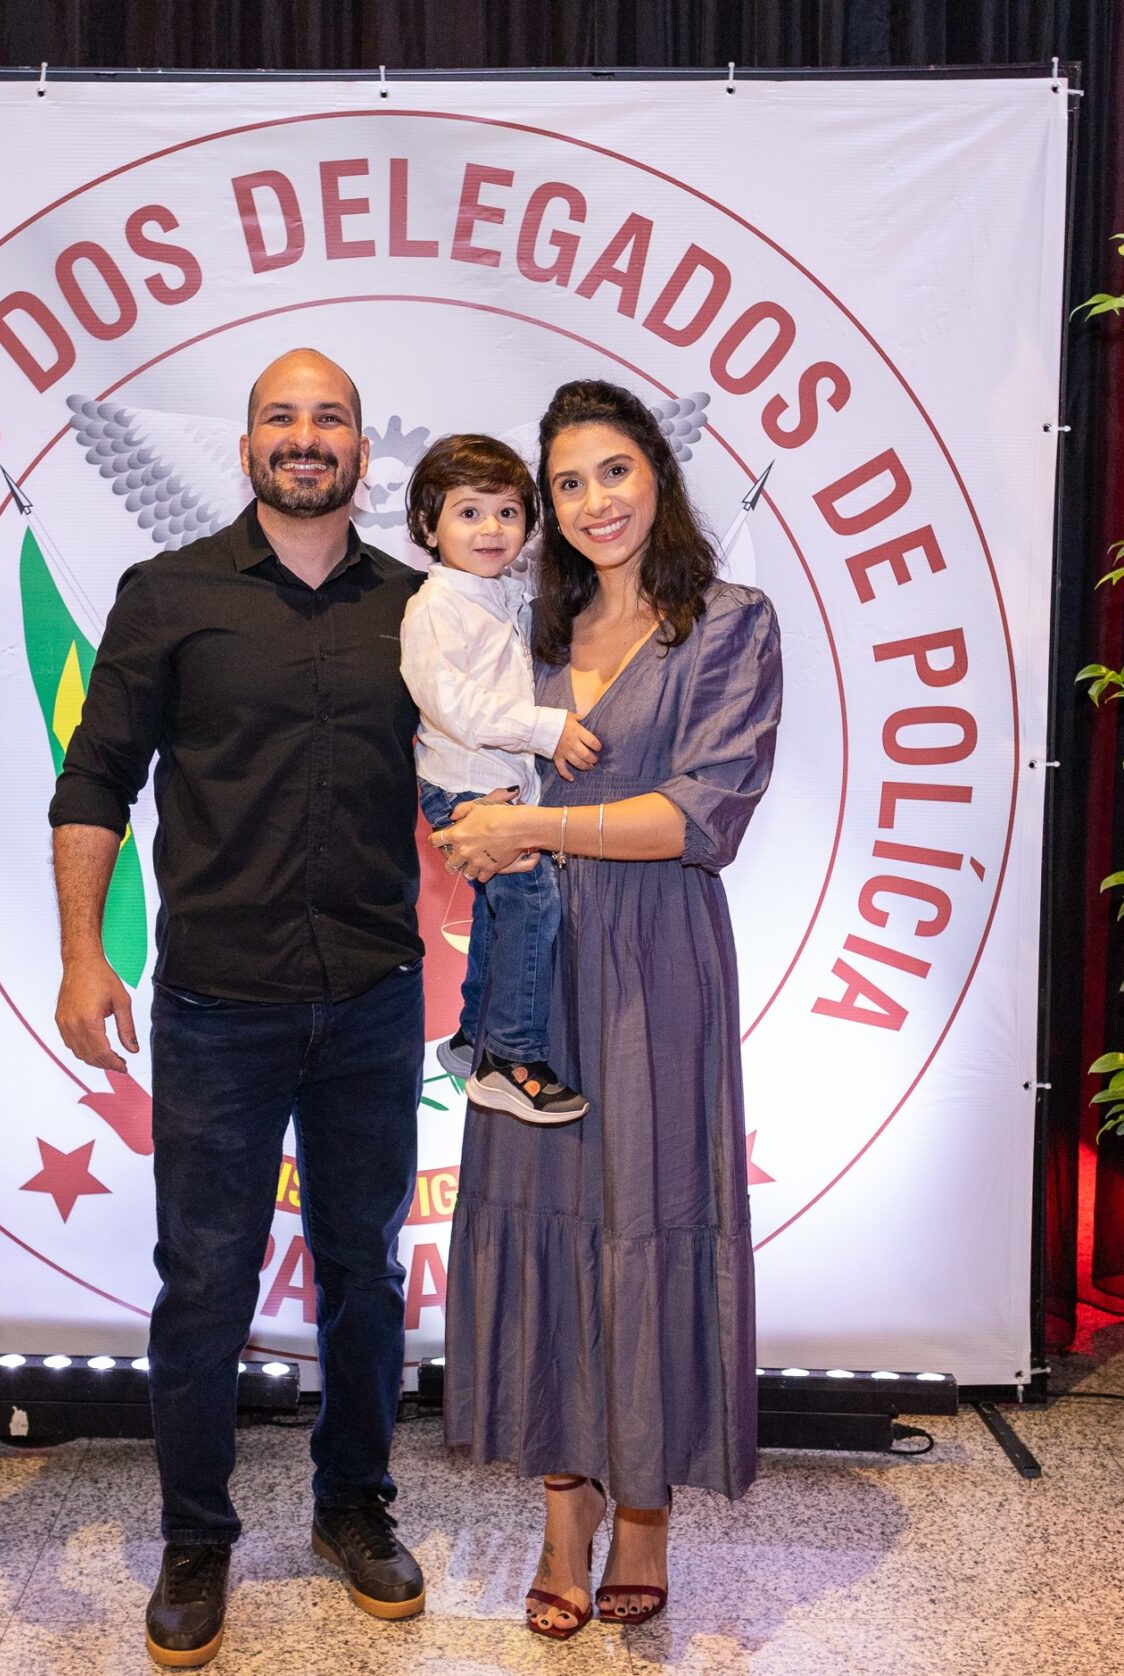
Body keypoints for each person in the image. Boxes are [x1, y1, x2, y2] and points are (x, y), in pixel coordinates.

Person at [49, 348, 429, 1669]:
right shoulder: (168, 594)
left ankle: (352, 1505)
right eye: (282, 416)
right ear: (249, 442)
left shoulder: (420, 608)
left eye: (329, 418)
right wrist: (82, 955)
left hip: (375, 999)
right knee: (205, 1279)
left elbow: (475, 765)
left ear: (362, 453)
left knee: (365, 1272)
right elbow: (94, 779)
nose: (304, 436)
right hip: (218, 1005)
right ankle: (196, 1535)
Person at [429, 379, 782, 1640]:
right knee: (542, 1222)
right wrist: (473, 821)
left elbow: (703, 814)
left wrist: (530, 827)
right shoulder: (521, 628)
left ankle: (642, 1509)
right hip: (529, 968)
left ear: (657, 477)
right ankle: (560, 1507)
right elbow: (460, 761)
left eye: (613, 471)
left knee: (645, 1217)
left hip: (654, 964)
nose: (593, 502)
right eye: (567, 483)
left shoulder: (727, 622)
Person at [397, 432, 603, 1123]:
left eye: (508, 513)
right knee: (532, 902)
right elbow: (450, 704)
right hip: (463, 783)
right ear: (428, 526)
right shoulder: (435, 607)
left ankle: (471, 1036)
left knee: (501, 912)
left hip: (497, 780)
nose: (491, 529)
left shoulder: (502, 594)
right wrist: (547, 729)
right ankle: (511, 1058)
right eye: (469, 513)